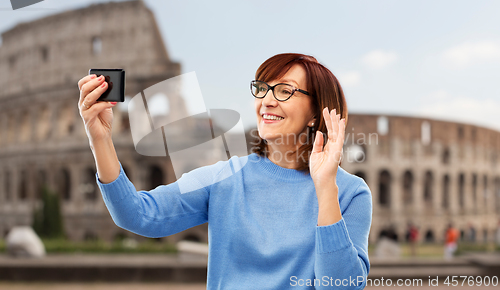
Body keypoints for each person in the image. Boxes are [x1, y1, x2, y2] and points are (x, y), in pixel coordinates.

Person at [78, 53, 372, 289]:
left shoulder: (350, 193)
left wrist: (324, 188)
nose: (266, 100)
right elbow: (137, 214)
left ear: (315, 113)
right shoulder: (224, 177)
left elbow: (340, 286)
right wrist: (100, 139)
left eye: (284, 91)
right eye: (262, 88)